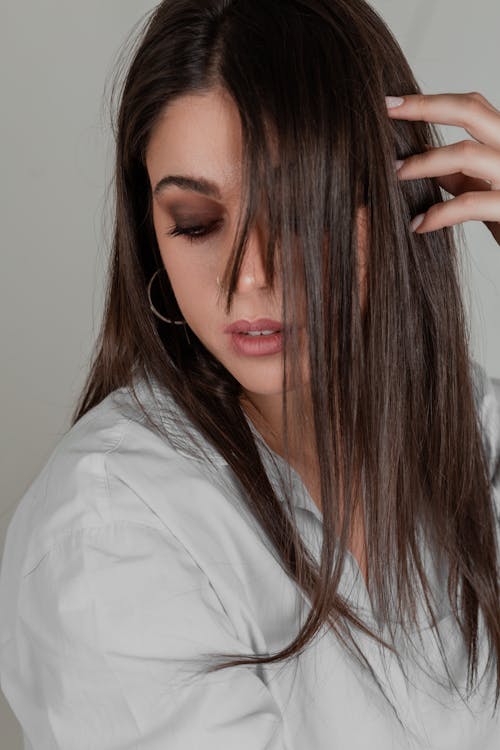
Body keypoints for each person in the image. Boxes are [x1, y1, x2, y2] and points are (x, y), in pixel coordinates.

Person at [1, 0, 500, 747]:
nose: (251, 278)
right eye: (196, 223)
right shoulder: (109, 536)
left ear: (396, 196)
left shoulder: (469, 423)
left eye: (299, 214)